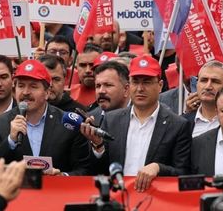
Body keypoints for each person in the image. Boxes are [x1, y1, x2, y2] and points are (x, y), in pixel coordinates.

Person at [82, 55, 191, 191]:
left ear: (160, 85)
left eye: (146, 82)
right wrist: (98, 147)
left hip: (155, 200)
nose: (140, 88)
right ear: (128, 86)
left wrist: (158, 168)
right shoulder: (111, 120)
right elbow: (98, 170)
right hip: (118, 198)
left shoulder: (177, 125)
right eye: (135, 81)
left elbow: (183, 174)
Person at [0, 59, 91, 175]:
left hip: (56, 191)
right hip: (16, 192)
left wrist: (62, 177)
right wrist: (11, 140)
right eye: (21, 86)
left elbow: (84, 169)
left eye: (33, 86)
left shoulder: (68, 124)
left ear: (47, 93)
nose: (25, 92)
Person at [182, 61, 223, 137]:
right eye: (204, 80)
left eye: (215, 81)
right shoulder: (182, 123)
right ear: (197, 84)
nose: (208, 87)